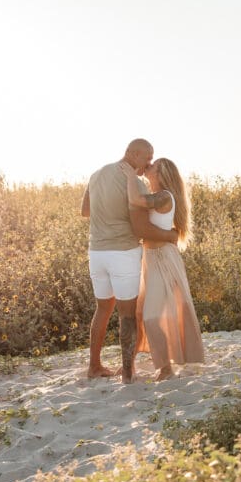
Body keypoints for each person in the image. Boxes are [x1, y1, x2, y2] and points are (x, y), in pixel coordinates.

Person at [81, 139, 178, 383]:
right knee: (127, 315)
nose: (149, 163)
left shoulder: (96, 175)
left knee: (102, 309)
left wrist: (107, 212)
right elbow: (141, 226)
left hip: (96, 253)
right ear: (133, 154)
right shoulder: (135, 183)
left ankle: (94, 366)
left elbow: (85, 211)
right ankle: (127, 373)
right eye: (147, 157)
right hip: (122, 253)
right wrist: (169, 235)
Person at [121, 157, 205, 381]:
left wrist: (131, 175)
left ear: (161, 173)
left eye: (153, 166)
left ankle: (165, 367)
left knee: (151, 316)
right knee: (140, 313)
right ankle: (133, 365)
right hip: (149, 258)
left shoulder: (164, 196)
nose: (148, 167)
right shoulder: (158, 195)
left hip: (162, 259)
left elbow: (136, 200)